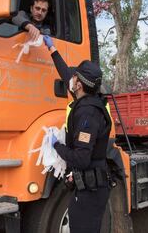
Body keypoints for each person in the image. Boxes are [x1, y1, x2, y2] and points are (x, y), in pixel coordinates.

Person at [43, 35, 112, 233]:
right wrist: (52, 49)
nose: (70, 79)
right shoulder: (89, 98)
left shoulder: (87, 113)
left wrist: (56, 145)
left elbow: (81, 158)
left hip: (91, 191)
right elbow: (65, 73)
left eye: (75, 77)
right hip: (89, 186)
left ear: (79, 84)